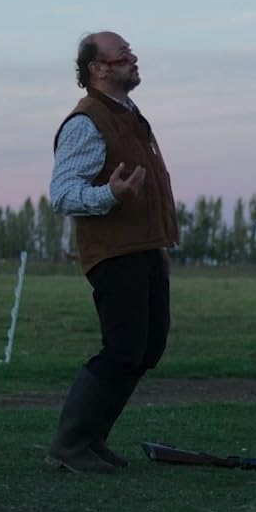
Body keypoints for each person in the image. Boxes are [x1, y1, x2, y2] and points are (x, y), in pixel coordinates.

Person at [46, 31, 178, 474]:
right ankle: (71, 445)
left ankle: (92, 439)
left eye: (131, 53)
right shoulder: (87, 121)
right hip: (113, 251)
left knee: (146, 348)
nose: (133, 59)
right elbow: (63, 194)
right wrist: (110, 195)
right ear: (96, 69)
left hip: (143, 249)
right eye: (122, 56)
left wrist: (158, 243)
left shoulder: (131, 114)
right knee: (123, 348)